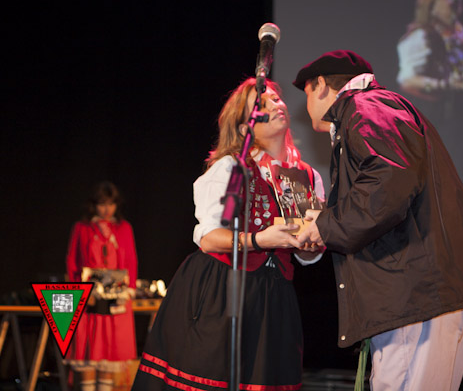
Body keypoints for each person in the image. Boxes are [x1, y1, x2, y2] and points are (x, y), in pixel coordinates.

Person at [293, 50, 463, 391]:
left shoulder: (367, 106)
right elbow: (390, 185)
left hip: (416, 294)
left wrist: (325, 227)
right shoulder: (377, 108)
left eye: (306, 93)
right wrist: (328, 219)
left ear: (320, 85)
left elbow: (388, 183)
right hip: (425, 292)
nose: (306, 107)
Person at [132, 77, 325, 390]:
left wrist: (311, 243)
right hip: (221, 287)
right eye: (261, 105)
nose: (275, 105)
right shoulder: (231, 168)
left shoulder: (304, 176)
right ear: (245, 127)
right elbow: (209, 237)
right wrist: (259, 240)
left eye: (276, 99)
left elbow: (306, 253)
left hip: (273, 295)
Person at [65, 181, 138, 391]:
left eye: (111, 204)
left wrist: (128, 289)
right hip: (89, 297)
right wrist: (79, 292)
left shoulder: (124, 228)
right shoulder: (82, 228)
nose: (107, 209)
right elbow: (72, 260)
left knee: (110, 350)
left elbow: (131, 260)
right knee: (88, 350)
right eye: (102, 204)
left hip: (116, 297)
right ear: (94, 205)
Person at [397, 0, 463, 103]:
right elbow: (407, 81)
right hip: (436, 107)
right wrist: (442, 85)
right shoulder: (421, 37)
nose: (454, 2)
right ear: (433, 7)